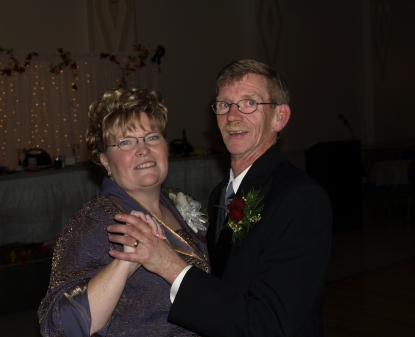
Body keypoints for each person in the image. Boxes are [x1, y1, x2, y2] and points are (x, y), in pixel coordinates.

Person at [108, 60, 333, 336]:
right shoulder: (220, 194)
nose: (233, 116)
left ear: (279, 117)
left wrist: (169, 264)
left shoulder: (300, 198)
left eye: (249, 103)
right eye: (224, 105)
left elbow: (270, 325)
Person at [38, 87, 210, 336]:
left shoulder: (181, 203)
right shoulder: (96, 221)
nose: (143, 150)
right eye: (126, 142)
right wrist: (124, 264)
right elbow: (59, 326)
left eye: (152, 137)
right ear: (105, 160)